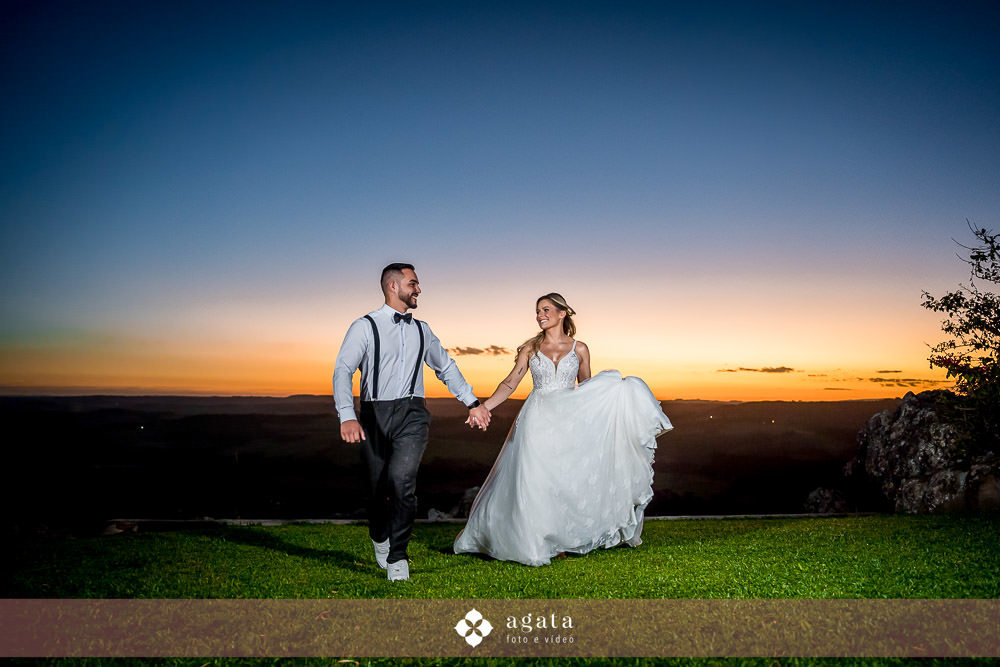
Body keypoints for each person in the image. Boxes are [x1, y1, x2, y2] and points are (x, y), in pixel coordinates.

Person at [453, 292, 673, 566]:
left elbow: (587, 388)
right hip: (537, 417)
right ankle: (533, 540)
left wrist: (616, 394)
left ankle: (560, 538)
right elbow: (510, 383)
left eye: (545, 309)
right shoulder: (530, 349)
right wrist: (485, 407)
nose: (540, 315)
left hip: (569, 420)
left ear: (562, 313)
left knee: (563, 478)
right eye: (537, 311)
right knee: (534, 478)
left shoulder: (580, 348)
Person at [333, 263, 492, 581]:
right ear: (393, 286)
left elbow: (446, 367)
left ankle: (398, 556)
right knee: (378, 489)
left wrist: (472, 403)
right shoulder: (364, 326)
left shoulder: (423, 329)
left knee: (402, 483)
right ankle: (380, 537)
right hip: (373, 414)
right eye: (413, 283)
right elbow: (343, 370)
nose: (418, 289)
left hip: (413, 414)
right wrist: (347, 415)